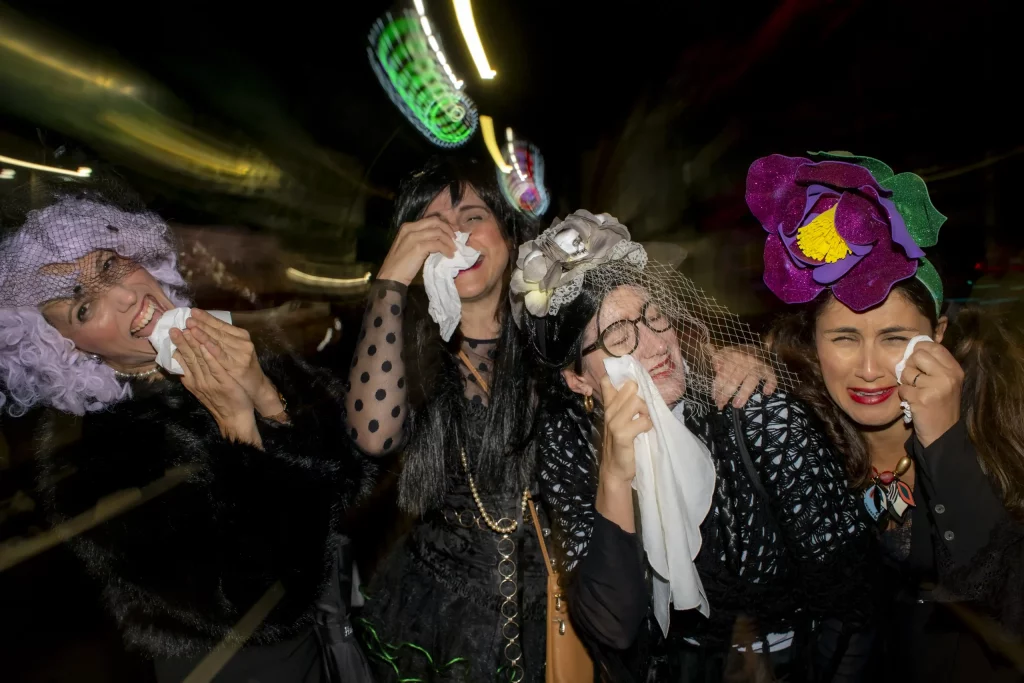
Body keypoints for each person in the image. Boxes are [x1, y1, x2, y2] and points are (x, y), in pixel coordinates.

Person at [0, 185, 375, 682]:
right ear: (67, 347)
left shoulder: (239, 342)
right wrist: (239, 428)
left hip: (330, 634)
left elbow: (352, 479)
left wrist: (264, 392)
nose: (126, 296)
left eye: (110, 265)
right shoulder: (89, 457)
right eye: (84, 308)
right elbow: (262, 602)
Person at [513, 210, 873, 682]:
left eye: (655, 317)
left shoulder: (753, 413)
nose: (655, 345)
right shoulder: (569, 442)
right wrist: (615, 477)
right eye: (619, 336)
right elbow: (612, 628)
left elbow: (853, 604)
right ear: (578, 379)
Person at [750, 152, 1024, 682]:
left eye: (895, 338)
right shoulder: (802, 431)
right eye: (845, 338)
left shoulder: (997, 422)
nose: (870, 369)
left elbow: (1006, 600)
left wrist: (945, 441)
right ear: (816, 343)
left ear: (937, 337)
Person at [346, 156, 551, 683]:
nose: (453, 239)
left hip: (563, 605)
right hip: (445, 617)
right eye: (432, 227)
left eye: (471, 216)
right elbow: (372, 435)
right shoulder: (406, 355)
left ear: (507, 229)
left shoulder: (560, 334)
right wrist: (390, 279)